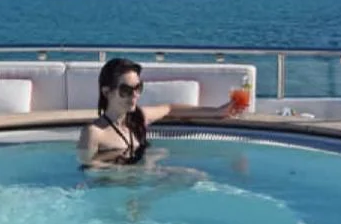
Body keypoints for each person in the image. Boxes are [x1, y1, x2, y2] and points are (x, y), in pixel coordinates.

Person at [76, 57, 239, 170]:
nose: (134, 95)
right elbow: (89, 170)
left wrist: (218, 111)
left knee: (195, 177)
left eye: (138, 88)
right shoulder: (94, 133)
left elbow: (170, 109)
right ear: (107, 92)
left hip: (138, 184)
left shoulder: (138, 118)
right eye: (126, 90)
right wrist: (136, 171)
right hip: (114, 190)